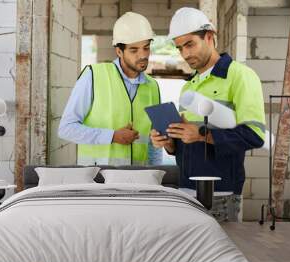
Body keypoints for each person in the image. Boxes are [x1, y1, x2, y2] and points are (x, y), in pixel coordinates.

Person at [150, 7, 266, 220]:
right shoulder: (189, 87)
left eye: (190, 44)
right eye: (179, 48)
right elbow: (186, 146)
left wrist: (202, 134)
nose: (185, 54)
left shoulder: (240, 76)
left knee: (220, 253)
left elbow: (255, 136)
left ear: (210, 37)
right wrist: (169, 142)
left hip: (221, 192)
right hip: (186, 190)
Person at [59, 12, 163, 166]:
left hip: (138, 182)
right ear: (119, 51)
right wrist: (112, 136)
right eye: (134, 50)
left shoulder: (152, 87)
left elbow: (153, 143)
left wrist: (157, 176)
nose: (142, 55)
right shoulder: (93, 75)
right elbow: (66, 128)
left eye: (146, 48)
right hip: (97, 180)